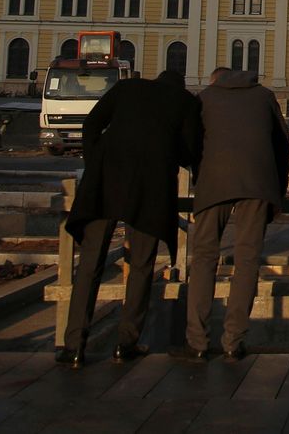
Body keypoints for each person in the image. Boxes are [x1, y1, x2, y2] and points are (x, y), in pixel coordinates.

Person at [57, 69, 199, 366]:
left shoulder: (127, 88)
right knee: (141, 266)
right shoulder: (184, 102)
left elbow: (91, 125)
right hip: (150, 189)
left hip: (106, 182)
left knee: (90, 264)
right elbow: (190, 152)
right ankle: (126, 342)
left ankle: (73, 345)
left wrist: (96, 161)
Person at [174, 67, 289, 362]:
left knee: (203, 258)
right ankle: (233, 342)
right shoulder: (265, 97)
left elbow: (189, 142)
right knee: (247, 260)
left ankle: (197, 342)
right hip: (257, 183)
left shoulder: (205, 98)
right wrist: (277, 188)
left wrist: (200, 173)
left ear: (215, 80)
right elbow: (283, 145)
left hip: (214, 183)